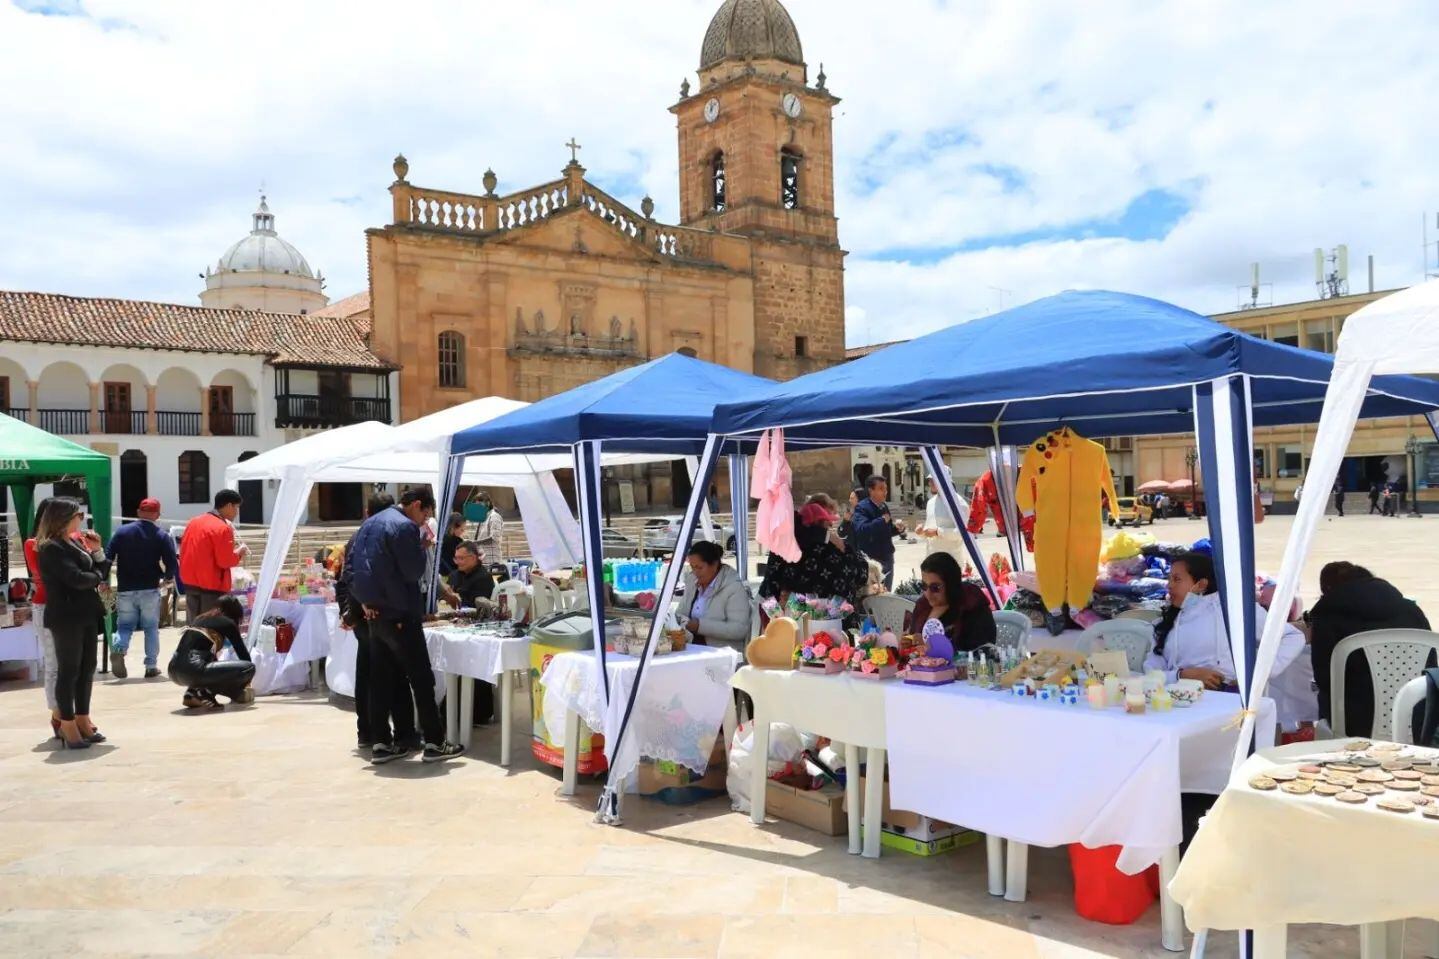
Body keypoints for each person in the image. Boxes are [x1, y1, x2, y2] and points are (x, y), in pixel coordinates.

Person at [349, 487, 463, 764]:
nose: (425, 521)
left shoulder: (368, 525)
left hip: (375, 613)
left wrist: (364, 602)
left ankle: (382, 742)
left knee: (381, 679)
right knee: (421, 678)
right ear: (415, 505)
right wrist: (421, 548)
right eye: (426, 514)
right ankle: (435, 742)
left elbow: (350, 569)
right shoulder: (404, 528)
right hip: (399, 611)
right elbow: (412, 572)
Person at [1145, 551, 1305, 693]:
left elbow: (1292, 637)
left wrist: (1257, 673)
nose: (1169, 585)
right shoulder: (1164, 623)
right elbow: (1152, 671)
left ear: (1201, 584)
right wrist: (1182, 675)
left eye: (1176, 579)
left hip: (1226, 704)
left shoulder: (1234, 613)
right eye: (1169, 579)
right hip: (1176, 701)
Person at [1309, 562, 1431, 738]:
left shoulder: (1327, 617)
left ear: (1328, 589)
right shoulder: (1412, 611)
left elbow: (1324, 678)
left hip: (1353, 724)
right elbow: (1430, 666)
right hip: (1417, 717)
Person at [338, 493, 416, 752]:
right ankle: (396, 734)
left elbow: (346, 577)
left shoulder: (361, 534)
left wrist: (353, 609)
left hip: (365, 615)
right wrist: (365, 606)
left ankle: (370, 732)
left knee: (370, 676)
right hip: (378, 615)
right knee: (389, 677)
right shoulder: (377, 536)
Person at [35, 498, 111, 750]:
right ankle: (66, 722)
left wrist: (98, 552)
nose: (82, 519)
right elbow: (76, 578)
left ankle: (82, 718)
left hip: (86, 612)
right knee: (69, 670)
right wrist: (97, 575)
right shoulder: (51, 548)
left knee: (87, 667)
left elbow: (101, 568)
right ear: (64, 517)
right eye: (78, 514)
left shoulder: (75, 542)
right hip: (66, 616)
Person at [105, 497, 181, 679]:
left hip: (125, 588)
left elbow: (108, 557)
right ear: (157, 515)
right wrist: (166, 578)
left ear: (139, 512)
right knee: (150, 628)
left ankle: (119, 649)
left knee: (124, 626)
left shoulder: (122, 532)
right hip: (150, 588)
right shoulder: (161, 535)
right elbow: (172, 563)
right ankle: (151, 666)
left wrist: (102, 579)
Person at [759, 494, 869, 603]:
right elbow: (861, 573)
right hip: (826, 616)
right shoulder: (833, 549)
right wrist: (827, 536)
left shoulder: (785, 543)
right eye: (828, 518)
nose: (831, 524)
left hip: (782, 612)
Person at [167, 594, 255, 709]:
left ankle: (191, 694)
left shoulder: (199, 618)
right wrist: (246, 681)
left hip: (174, 670)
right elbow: (243, 655)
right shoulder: (228, 623)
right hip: (193, 669)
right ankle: (205, 693)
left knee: (210, 663)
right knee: (248, 667)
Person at [178, 489, 248, 622]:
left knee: (193, 627)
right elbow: (225, 561)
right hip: (212, 585)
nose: (237, 512)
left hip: (190, 582)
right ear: (228, 506)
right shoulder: (222, 528)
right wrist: (239, 553)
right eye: (236, 507)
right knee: (211, 631)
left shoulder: (193, 522)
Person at [24, 498, 61, 740]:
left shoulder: (68, 542)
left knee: (69, 666)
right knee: (53, 665)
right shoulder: (34, 544)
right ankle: (57, 715)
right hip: (46, 605)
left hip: (64, 607)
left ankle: (71, 714)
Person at [910, 552, 996, 653]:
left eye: (935, 588)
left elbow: (980, 649)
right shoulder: (923, 606)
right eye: (923, 586)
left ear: (951, 585)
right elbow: (914, 641)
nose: (928, 594)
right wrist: (909, 643)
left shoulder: (972, 605)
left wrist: (932, 646)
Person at [676, 540, 753, 652]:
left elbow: (739, 630)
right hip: (691, 648)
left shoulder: (733, 587)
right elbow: (681, 613)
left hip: (722, 653)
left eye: (700, 567)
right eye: (693, 567)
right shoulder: (691, 581)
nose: (696, 572)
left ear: (715, 565)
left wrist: (699, 626)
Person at [851, 476, 905, 589]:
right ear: (871, 490)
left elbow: (887, 531)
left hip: (887, 558)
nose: (885, 492)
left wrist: (897, 529)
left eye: (886, 488)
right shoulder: (862, 508)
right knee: (872, 595)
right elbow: (861, 530)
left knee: (887, 592)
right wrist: (881, 521)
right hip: (872, 560)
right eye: (881, 488)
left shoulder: (883, 506)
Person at [915, 471, 968, 559]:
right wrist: (921, 532)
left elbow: (963, 533)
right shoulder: (930, 503)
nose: (930, 483)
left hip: (951, 560)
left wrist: (938, 532)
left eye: (933, 480)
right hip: (931, 558)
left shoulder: (959, 503)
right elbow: (930, 531)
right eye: (929, 480)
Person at [441, 541, 496, 610]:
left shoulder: (483, 578)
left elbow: (476, 606)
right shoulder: (454, 575)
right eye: (456, 558)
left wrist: (455, 599)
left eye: (461, 558)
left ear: (473, 558)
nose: (457, 562)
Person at [469, 491, 504, 562]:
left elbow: (494, 538)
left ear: (487, 503)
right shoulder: (483, 518)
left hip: (492, 559)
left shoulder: (494, 517)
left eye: (479, 504)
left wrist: (476, 542)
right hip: (482, 558)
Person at [439, 512, 466, 577]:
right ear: (454, 527)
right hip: (453, 575)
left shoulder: (441, 538)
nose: (463, 532)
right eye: (461, 529)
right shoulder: (456, 541)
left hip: (443, 574)